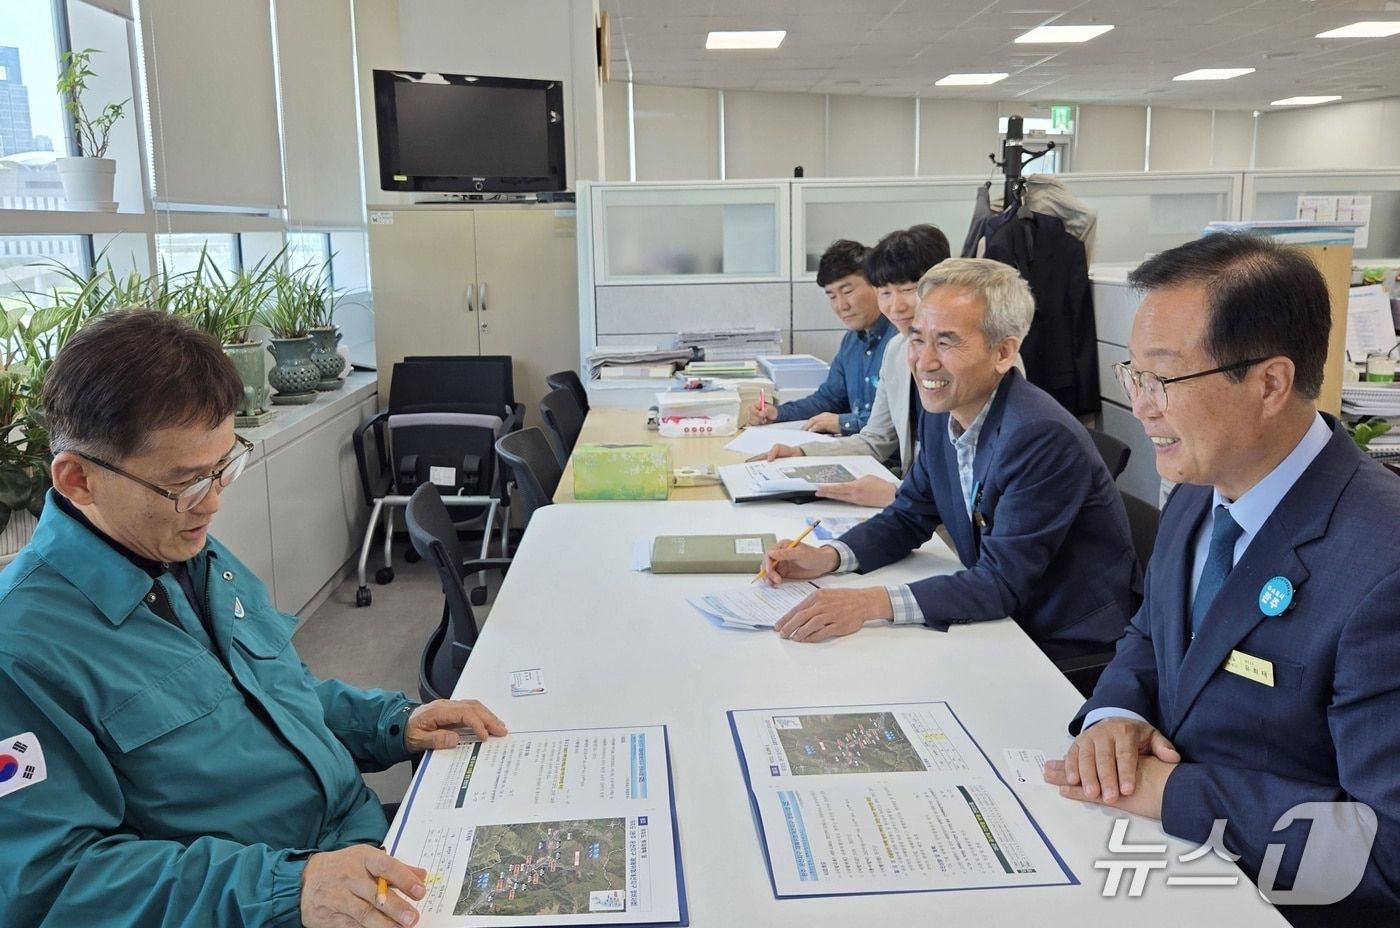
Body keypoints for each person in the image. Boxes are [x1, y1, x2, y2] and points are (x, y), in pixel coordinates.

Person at [0, 310, 506, 928]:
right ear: (78, 480)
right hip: (270, 903)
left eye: (222, 468)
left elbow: (273, 698)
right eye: (184, 482)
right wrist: (288, 889)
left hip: (360, 850)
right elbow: (53, 885)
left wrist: (394, 722)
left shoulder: (185, 550)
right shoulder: (20, 648)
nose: (213, 502)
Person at [1044, 233, 1400, 922]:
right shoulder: (1200, 490)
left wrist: (1170, 793)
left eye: (1165, 380)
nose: (1143, 406)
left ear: (1269, 382)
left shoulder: (1381, 564)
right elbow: (1150, 633)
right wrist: (1117, 716)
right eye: (1135, 376)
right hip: (1161, 864)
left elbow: (1387, 846)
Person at [761, 258, 1140, 657]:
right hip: (1003, 623)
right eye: (917, 338)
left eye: (946, 342)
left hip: (1063, 642)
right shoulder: (946, 410)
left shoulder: (1039, 437)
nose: (924, 362)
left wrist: (869, 603)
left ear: (1003, 352)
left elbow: (999, 584)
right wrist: (828, 557)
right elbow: (909, 514)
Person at [754, 224, 951, 508]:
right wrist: (801, 453)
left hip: (941, 510)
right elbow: (876, 438)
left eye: (908, 290)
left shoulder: (966, 355)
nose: (896, 306)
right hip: (912, 498)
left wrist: (900, 495)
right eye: (885, 292)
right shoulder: (897, 351)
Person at [746, 239, 893, 435]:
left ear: (877, 285)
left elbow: (901, 418)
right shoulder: (851, 341)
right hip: (858, 448)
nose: (841, 306)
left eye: (848, 292)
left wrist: (843, 422)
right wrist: (778, 413)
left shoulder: (902, 340)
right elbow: (829, 399)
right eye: (832, 296)